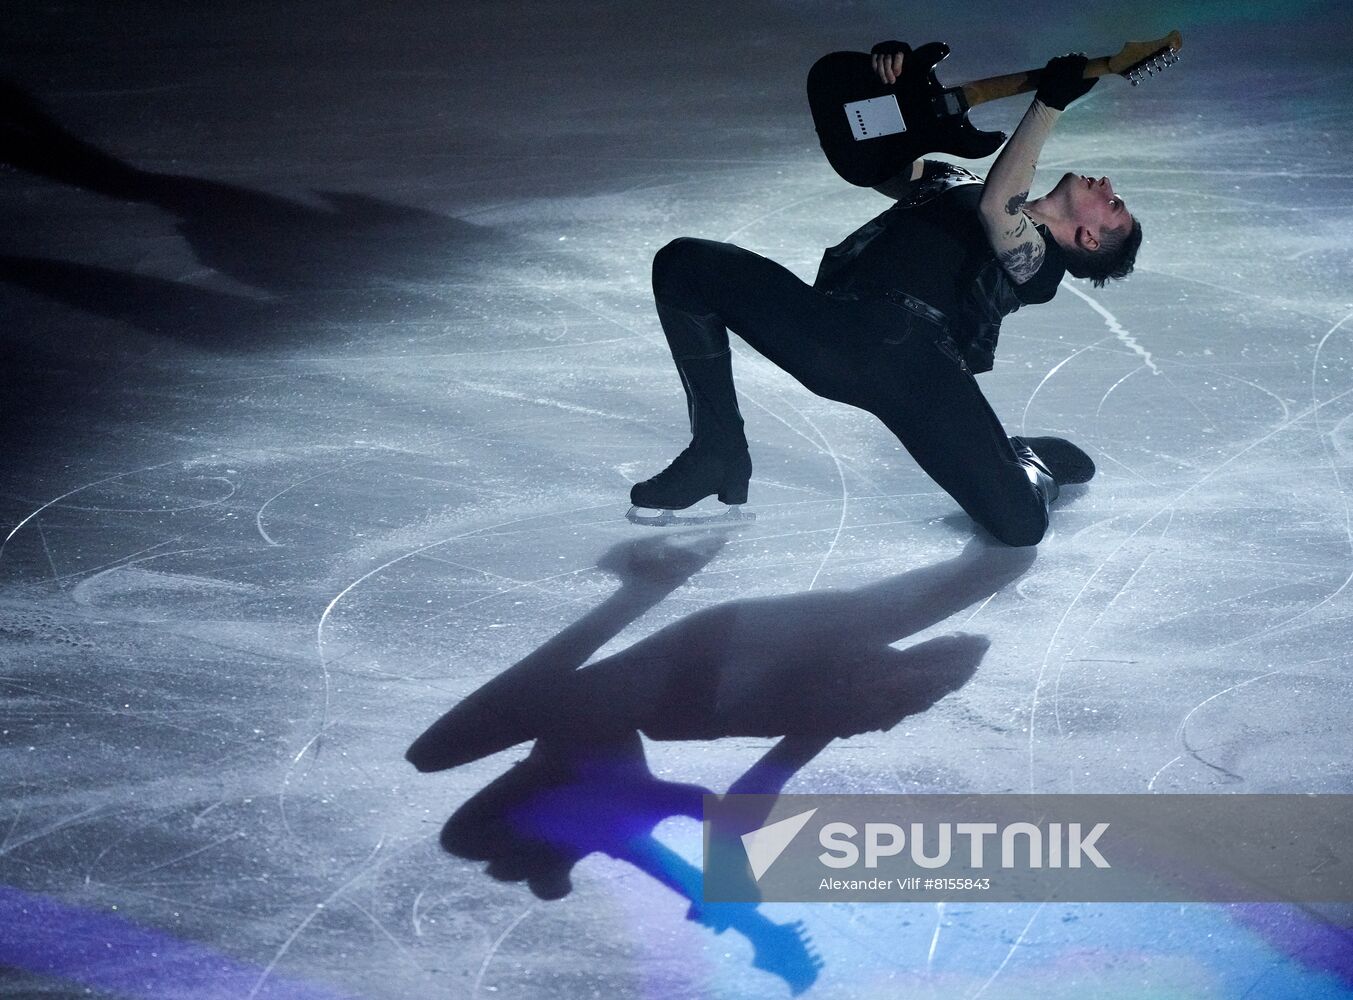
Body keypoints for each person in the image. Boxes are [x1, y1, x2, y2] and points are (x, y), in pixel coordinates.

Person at [629, 45, 1143, 546]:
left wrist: (1048, 104)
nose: (1106, 185)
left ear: (1089, 240)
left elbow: (998, 210)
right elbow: (862, 152)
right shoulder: (950, 179)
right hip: (832, 331)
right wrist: (892, 90)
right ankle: (716, 449)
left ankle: (1027, 467)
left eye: (1113, 204)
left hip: (917, 369)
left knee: (1020, 527)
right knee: (685, 264)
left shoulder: (1040, 265)